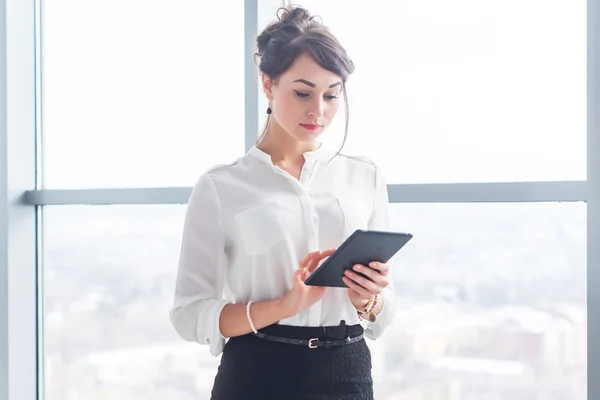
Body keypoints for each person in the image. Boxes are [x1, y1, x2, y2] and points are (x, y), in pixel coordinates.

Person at [169, 5, 397, 400]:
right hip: (257, 373)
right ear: (267, 84)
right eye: (303, 92)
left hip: (347, 374)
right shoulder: (220, 186)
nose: (318, 111)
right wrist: (284, 305)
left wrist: (369, 299)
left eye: (332, 94)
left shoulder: (365, 177)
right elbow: (189, 313)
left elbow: (382, 315)